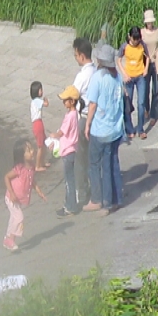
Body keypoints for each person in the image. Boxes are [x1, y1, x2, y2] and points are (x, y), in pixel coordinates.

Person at [84, 45, 125, 214]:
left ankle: (97, 199)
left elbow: (92, 104)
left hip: (100, 130)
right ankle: (114, 199)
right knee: (112, 163)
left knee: (95, 164)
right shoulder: (117, 77)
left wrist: (87, 124)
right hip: (115, 128)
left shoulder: (98, 77)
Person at [3, 138, 48, 251]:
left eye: (31, 148)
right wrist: (12, 194)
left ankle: (7, 238)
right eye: (28, 150)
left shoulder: (31, 167)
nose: (32, 151)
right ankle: (10, 239)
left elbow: (31, 180)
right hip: (11, 198)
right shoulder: (19, 168)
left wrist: (39, 191)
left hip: (17, 199)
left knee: (14, 217)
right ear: (22, 156)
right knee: (19, 217)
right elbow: (7, 177)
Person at [72, 37, 96, 207]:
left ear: (81, 56)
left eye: (75, 55)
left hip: (84, 118)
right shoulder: (96, 71)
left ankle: (82, 193)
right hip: (96, 119)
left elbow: (72, 95)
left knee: (80, 158)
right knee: (93, 157)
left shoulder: (82, 76)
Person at [117, 26, 150, 140]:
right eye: (134, 39)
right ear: (130, 37)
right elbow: (118, 59)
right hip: (129, 78)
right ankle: (129, 129)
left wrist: (146, 69)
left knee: (141, 103)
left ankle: (140, 129)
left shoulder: (142, 45)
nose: (136, 42)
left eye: (138, 39)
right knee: (127, 104)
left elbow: (148, 57)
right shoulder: (125, 46)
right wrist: (124, 74)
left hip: (140, 76)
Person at [53, 86, 81, 217]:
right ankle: (69, 205)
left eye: (66, 100)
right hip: (72, 149)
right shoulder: (75, 114)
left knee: (69, 181)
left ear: (72, 101)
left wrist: (53, 136)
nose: (64, 102)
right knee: (71, 179)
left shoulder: (70, 116)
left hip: (67, 151)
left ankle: (71, 207)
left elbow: (62, 131)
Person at [140, 10, 158, 125]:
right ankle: (146, 108)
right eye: (148, 22)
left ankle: (153, 115)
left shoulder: (157, 30)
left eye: (151, 22)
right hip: (145, 63)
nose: (150, 24)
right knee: (145, 89)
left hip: (156, 63)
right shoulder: (142, 32)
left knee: (155, 89)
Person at [29, 81, 50, 172]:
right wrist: (46, 100)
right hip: (38, 124)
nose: (42, 91)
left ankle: (42, 162)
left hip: (37, 123)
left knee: (43, 143)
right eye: (41, 90)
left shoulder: (34, 102)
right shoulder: (37, 101)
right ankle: (37, 166)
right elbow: (46, 104)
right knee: (40, 146)